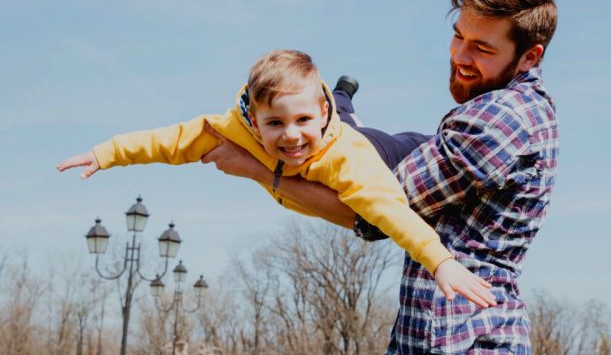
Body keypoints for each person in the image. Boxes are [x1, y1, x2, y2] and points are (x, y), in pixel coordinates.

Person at [200, 0, 559, 353]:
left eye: (482, 48)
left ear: (530, 56)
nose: (459, 56)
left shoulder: (497, 121)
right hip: (447, 335)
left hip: (461, 340)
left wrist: (258, 169)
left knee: (366, 145)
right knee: (381, 143)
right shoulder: (519, 111)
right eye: (458, 37)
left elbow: (370, 214)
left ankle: (342, 112)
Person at [56, 49, 497, 308]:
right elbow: (168, 140)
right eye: (274, 124)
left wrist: (440, 260)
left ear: (318, 114)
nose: (290, 137)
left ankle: (343, 99)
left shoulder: (350, 160)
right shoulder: (232, 126)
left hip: (385, 150)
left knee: (383, 138)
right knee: (337, 116)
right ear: (252, 117)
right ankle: (342, 94)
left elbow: (389, 212)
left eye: (303, 119)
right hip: (329, 120)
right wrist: (107, 153)